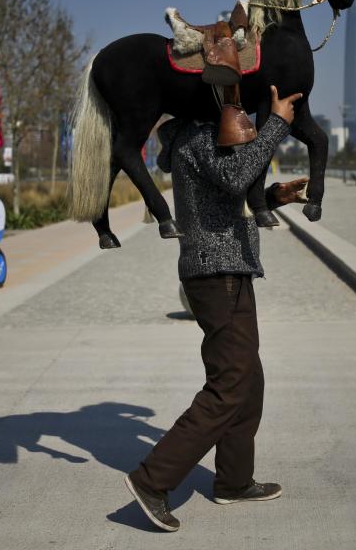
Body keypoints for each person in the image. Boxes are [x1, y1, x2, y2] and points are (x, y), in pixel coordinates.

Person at [124, 85, 307, 532]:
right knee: (229, 383)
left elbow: (228, 190)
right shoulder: (198, 136)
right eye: (230, 97)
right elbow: (236, 175)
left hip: (229, 269)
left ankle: (233, 482)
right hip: (217, 271)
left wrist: (276, 196)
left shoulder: (202, 138)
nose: (238, 106)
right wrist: (278, 123)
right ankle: (152, 481)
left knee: (249, 379)